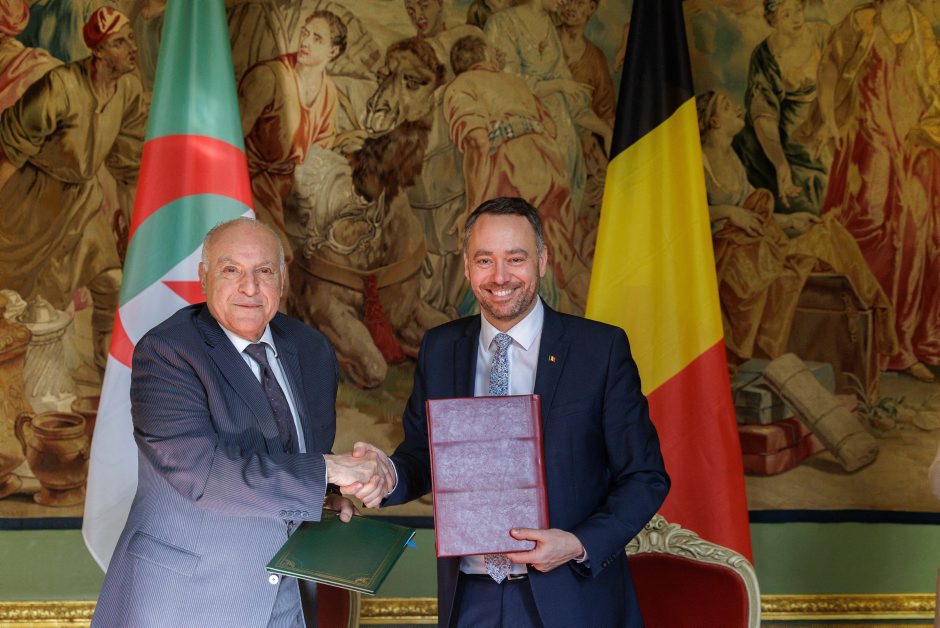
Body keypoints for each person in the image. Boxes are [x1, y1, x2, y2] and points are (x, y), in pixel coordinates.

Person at [350, 197, 670, 627]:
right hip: (469, 599)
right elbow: (425, 458)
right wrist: (387, 473)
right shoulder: (441, 348)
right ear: (467, 267)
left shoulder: (599, 350)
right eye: (485, 260)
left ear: (542, 261)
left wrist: (577, 543)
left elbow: (645, 476)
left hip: (571, 596)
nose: (500, 276)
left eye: (515, 259)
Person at [92, 218, 395, 627]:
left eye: (264, 271)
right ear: (204, 277)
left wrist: (322, 497)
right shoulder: (166, 352)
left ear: (282, 279)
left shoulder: (311, 349)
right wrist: (326, 470)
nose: (249, 288)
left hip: (286, 599)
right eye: (231, 270)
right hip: (187, 600)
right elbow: (203, 474)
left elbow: (293, 460)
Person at [698, 90, 898, 368]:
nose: (736, 108)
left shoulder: (732, 157)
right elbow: (685, 217)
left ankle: (874, 309)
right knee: (793, 262)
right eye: (726, 106)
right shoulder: (697, 161)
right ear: (714, 122)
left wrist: (791, 220)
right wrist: (729, 213)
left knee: (828, 232)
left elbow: (756, 215)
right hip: (730, 257)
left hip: (756, 245)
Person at [0, 6, 146, 372]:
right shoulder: (59, 86)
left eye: (131, 39)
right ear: (99, 51)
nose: (132, 49)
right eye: (120, 42)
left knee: (111, 281)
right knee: (22, 296)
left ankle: (107, 362)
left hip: (83, 202)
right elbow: (9, 149)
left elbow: (128, 165)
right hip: (32, 201)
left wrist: (134, 228)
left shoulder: (128, 89)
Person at [811, 0, 940, 382]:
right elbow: (830, 69)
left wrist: (929, 130)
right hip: (871, 140)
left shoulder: (920, 25)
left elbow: (934, 84)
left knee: (916, 235)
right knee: (868, 224)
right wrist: (829, 120)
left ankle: (904, 343)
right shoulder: (861, 20)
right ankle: (862, 341)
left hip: (914, 144)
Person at [444, 35, 590, 313]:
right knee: (565, 262)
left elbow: (477, 142)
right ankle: (611, 324)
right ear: (486, 55)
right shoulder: (515, 82)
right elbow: (550, 128)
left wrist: (471, 208)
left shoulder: (461, 85)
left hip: (511, 170)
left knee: (495, 264)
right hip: (549, 164)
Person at [238, 9, 347, 267]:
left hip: (288, 192)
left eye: (317, 38)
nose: (306, 42)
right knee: (278, 259)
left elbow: (319, 153)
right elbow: (229, 142)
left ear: (333, 51)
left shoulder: (329, 93)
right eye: (305, 33)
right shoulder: (269, 77)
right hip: (251, 184)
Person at [732, 0, 829, 215]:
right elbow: (764, 113)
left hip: (823, 123)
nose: (796, 19)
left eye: (798, 10)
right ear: (773, 20)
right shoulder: (765, 55)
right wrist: (780, 163)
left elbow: (844, 82)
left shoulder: (822, 36)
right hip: (784, 138)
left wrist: (828, 121)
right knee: (805, 200)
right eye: (786, 14)